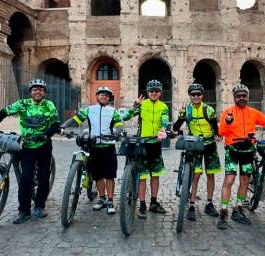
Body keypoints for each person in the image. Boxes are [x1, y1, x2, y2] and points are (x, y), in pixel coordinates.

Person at [0, 79, 60, 224]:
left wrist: (46, 134)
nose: (38, 91)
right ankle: (23, 211)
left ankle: (39, 206)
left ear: (44, 92)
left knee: (44, 178)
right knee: (25, 179)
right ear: (30, 92)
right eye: (35, 89)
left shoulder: (49, 105)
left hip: (44, 145)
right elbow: (4, 112)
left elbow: (56, 123)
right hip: (28, 147)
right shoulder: (22, 104)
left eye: (41, 89)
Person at [216, 84, 265, 229]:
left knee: (244, 180)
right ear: (234, 98)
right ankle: (223, 211)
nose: (241, 98)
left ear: (247, 97)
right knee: (229, 180)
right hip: (232, 150)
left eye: (244, 95)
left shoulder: (253, 112)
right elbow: (222, 132)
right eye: (238, 96)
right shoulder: (228, 112)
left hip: (248, 151)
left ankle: (238, 208)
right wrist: (227, 122)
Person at [62, 86, 124, 214]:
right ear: (97, 97)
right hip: (94, 147)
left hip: (108, 146)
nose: (104, 96)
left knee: (110, 175)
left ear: (109, 98)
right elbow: (75, 119)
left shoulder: (113, 111)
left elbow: (119, 125)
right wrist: (63, 126)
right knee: (98, 175)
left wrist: (116, 133)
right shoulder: (89, 110)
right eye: (101, 94)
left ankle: (110, 200)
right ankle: (102, 199)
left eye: (106, 95)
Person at [172, 83, 221, 220]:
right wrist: (181, 117)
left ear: (202, 95)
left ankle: (209, 203)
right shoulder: (187, 110)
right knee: (197, 175)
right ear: (190, 96)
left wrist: (217, 135)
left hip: (210, 144)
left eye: (198, 94)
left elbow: (214, 125)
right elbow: (176, 127)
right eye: (193, 94)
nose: (196, 96)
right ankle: (192, 204)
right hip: (196, 145)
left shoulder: (209, 109)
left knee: (211, 174)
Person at [122, 79, 169, 218]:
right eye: (151, 91)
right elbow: (125, 117)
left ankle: (153, 203)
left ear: (160, 93)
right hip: (142, 144)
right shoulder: (142, 105)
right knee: (142, 177)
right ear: (147, 92)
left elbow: (165, 120)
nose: (154, 93)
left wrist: (163, 130)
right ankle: (142, 204)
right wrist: (135, 106)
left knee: (155, 176)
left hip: (156, 143)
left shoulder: (164, 107)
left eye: (156, 91)